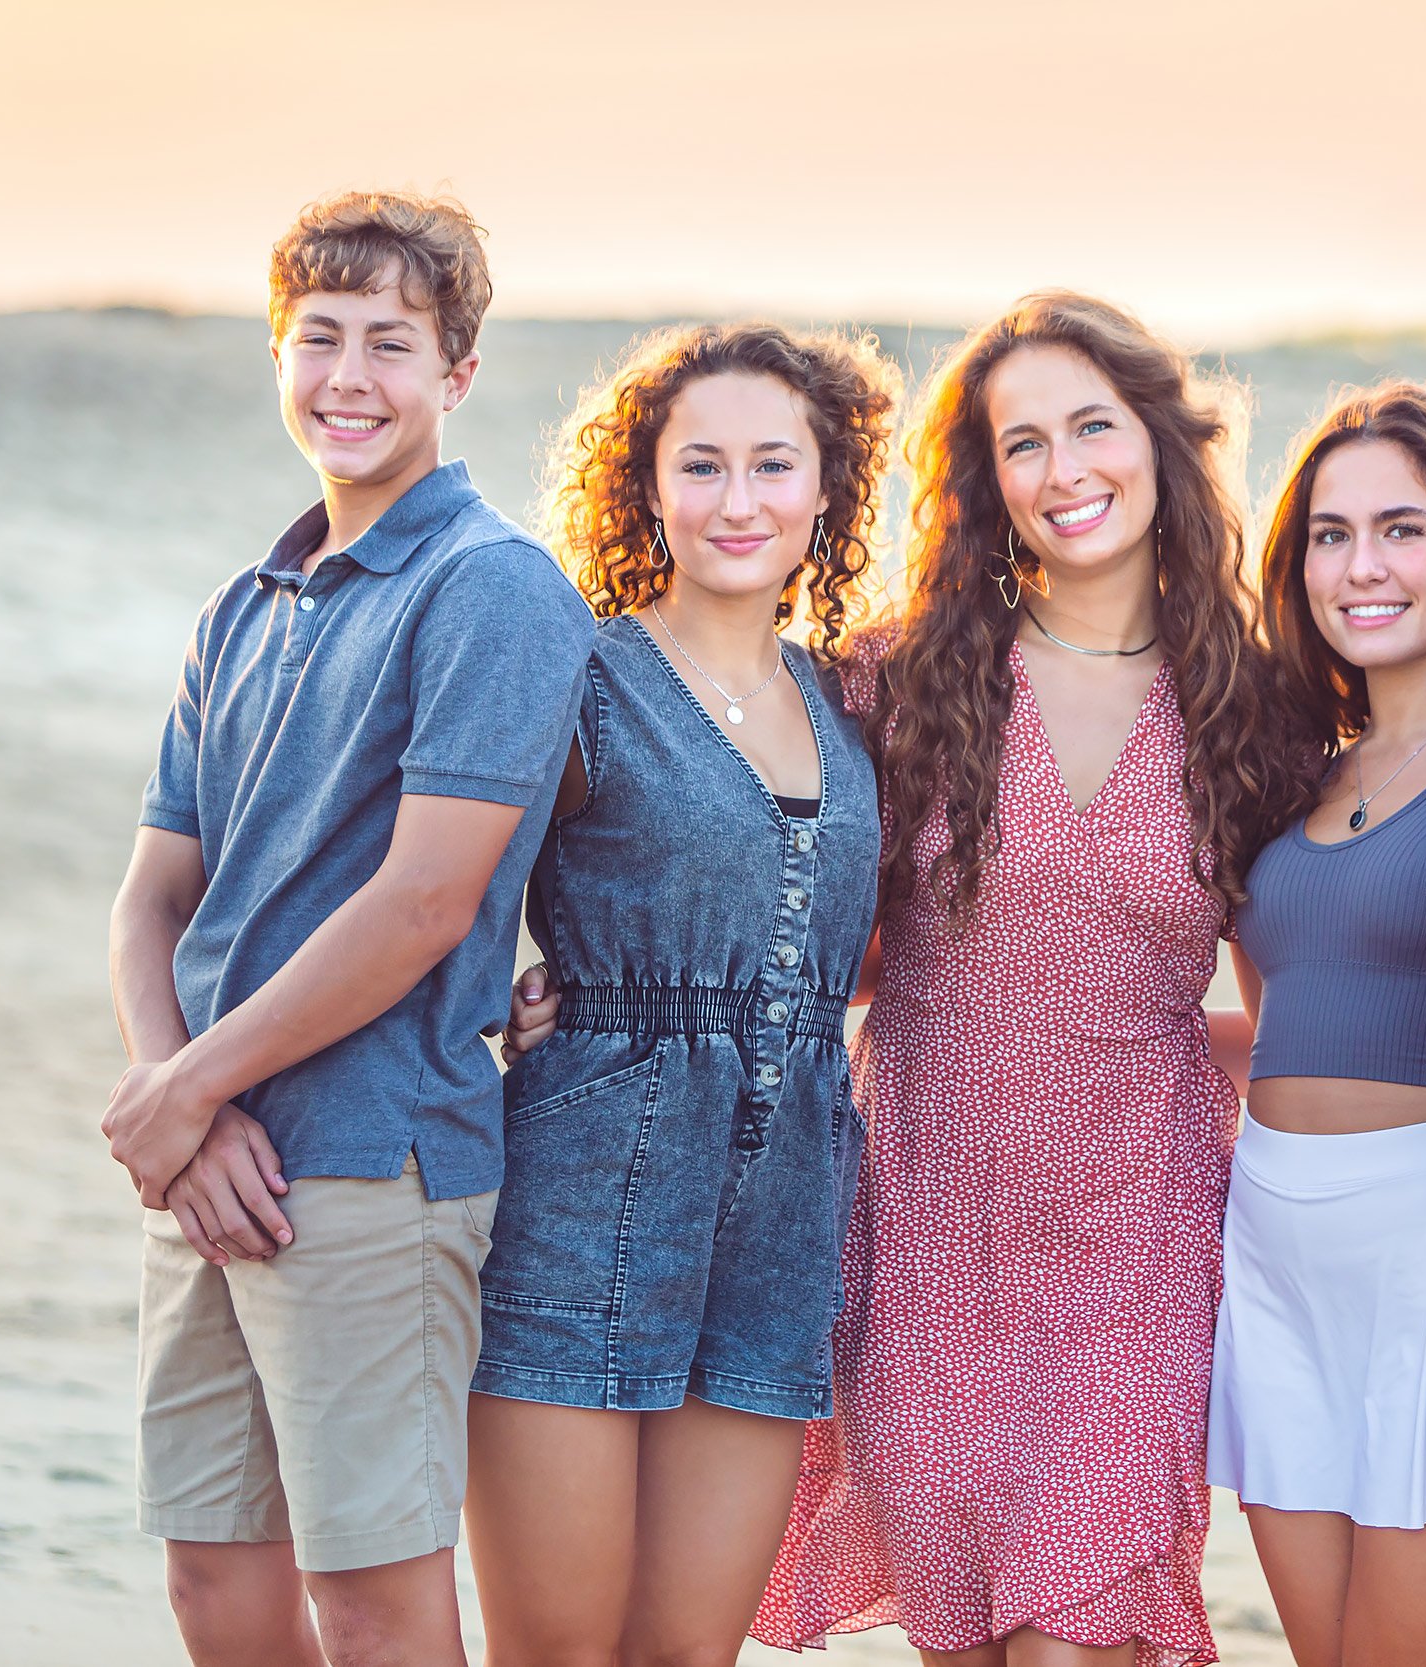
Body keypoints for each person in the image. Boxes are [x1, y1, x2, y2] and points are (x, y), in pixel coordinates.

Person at [745, 291, 1314, 1667]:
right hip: (931, 1212)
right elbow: (818, 944)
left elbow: (1304, 986)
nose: (1066, 472)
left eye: (1093, 428)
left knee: (1083, 1628)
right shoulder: (901, 680)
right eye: (1024, 443)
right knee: (965, 1637)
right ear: (985, 480)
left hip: (1139, 1228)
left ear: (1161, 443)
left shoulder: (1257, 699)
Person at [102, 191, 592, 1667]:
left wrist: (187, 1092)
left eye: (394, 343)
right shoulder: (243, 603)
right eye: (319, 339)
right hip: (214, 1160)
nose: (350, 378)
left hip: (377, 1154)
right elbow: (153, 897)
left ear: (457, 375)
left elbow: (428, 899)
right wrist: (182, 1109)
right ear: (278, 354)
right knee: (215, 1578)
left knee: (374, 1599)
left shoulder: (490, 587)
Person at [468, 322, 896, 1667]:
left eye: (774, 464)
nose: (737, 499)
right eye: (700, 464)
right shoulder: (583, 677)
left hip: (780, 1231)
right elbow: (433, 876)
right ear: (647, 485)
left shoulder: (847, 702)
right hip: (583, 1199)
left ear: (827, 488)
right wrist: (499, 996)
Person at [1208, 383, 1426, 1667]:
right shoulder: (1292, 772)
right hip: (1271, 1250)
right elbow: (1296, 1020)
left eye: (1400, 529)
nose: (1360, 566)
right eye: (1328, 532)